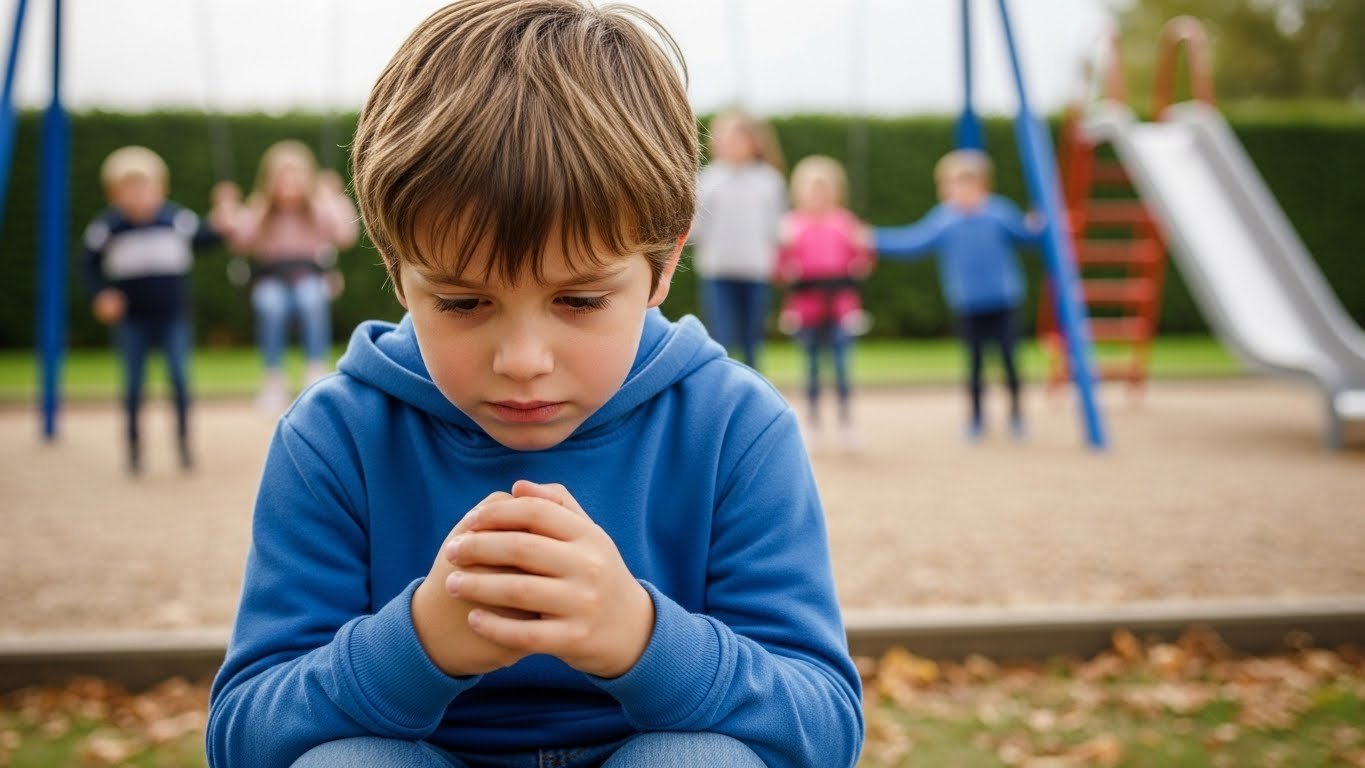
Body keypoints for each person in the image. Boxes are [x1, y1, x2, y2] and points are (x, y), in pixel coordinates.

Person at [205, 2, 863, 767]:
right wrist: (416, 643)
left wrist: (642, 639)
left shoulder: (732, 425)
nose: (522, 359)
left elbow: (823, 728)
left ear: (662, 265)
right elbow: (243, 737)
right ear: (396, 271)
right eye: (461, 302)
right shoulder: (336, 435)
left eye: (579, 301)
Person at [873, 148, 1044, 441]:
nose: (959, 190)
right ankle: (977, 418)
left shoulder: (998, 212)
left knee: (1009, 360)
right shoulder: (945, 219)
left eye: (966, 183)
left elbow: (1026, 237)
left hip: (1003, 299)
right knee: (975, 364)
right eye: (953, 184)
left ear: (982, 185)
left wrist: (1038, 225)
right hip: (968, 303)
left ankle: (1016, 414)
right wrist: (874, 238)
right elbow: (913, 242)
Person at [82, 146, 222, 475]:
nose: (139, 196)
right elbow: (86, 264)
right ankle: (133, 447)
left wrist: (222, 216)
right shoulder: (109, 227)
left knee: (179, 378)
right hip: (133, 319)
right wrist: (101, 293)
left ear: (161, 189)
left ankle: (184, 442)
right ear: (113, 195)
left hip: (172, 316)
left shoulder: (174, 219)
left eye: (146, 188)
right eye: (129, 190)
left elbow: (207, 238)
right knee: (133, 384)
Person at [210, 140, 359, 414]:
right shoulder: (261, 209)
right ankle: (273, 379)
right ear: (269, 181)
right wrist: (227, 213)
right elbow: (241, 241)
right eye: (282, 178)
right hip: (272, 278)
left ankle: (315, 370)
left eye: (295, 177)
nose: (289, 185)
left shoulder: (318, 206)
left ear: (308, 179)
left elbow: (345, 235)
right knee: (271, 305)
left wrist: (334, 198)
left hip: (311, 275)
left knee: (311, 299)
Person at [775, 155, 875, 453]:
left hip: (842, 308)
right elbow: (780, 270)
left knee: (843, 368)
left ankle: (846, 423)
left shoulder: (845, 223)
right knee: (812, 369)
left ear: (836, 190)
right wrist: (783, 255)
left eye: (823, 188)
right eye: (811, 188)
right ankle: (813, 423)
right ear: (799, 191)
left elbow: (863, 264)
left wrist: (864, 249)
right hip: (806, 310)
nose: (817, 195)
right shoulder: (791, 225)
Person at [689, 109, 787, 368]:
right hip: (717, 269)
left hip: (756, 270)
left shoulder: (769, 181)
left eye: (736, 138)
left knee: (753, 337)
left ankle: (753, 391)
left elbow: (775, 228)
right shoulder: (707, 179)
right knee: (720, 336)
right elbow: (697, 227)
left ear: (753, 142)